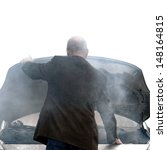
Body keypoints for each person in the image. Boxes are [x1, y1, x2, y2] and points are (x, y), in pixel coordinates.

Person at [22, 36, 122, 150]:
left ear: (68, 51)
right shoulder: (98, 76)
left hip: (57, 136)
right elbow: (106, 110)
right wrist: (113, 137)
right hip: (85, 140)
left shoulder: (57, 64)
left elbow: (34, 71)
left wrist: (26, 62)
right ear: (86, 52)